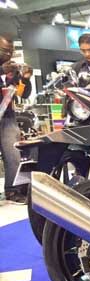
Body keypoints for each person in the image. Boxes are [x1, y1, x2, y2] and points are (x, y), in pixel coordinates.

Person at [0, 34, 25, 204]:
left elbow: (23, 94)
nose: (8, 54)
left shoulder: (11, 69)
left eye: (10, 51)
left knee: (13, 153)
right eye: (4, 51)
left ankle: (12, 190)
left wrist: (24, 78)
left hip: (7, 115)